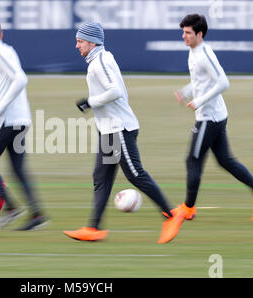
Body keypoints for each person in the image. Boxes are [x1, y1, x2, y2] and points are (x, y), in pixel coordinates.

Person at [63, 22, 186, 243]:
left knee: (135, 174)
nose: (76, 45)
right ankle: (93, 228)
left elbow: (115, 92)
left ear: (92, 42)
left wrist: (89, 102)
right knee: (101, 177)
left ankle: (171, 214)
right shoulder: (100, 58)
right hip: (108, 130)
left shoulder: (99, 62)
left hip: (119, 128)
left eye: (80, 41)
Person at [173, 14, 253, 221]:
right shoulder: (194, 52)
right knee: (225, 160)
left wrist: (199, 101)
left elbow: (223, 82)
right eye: (183, 32)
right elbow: (202, 81)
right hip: (215, 115)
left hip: (209, 117)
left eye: (188, 33)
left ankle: (188, 208)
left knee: (193, 160)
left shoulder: (204, 54)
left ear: (199, 34)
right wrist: (186, 91)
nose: (183, 36)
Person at [0, 19, 48, 230]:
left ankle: (11, 207)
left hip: (9, 120)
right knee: (18, 169)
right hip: (20, 118)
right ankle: (37, 214)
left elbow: (20, 79)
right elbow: (8, 85)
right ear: (1, 34)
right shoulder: (7, 50)